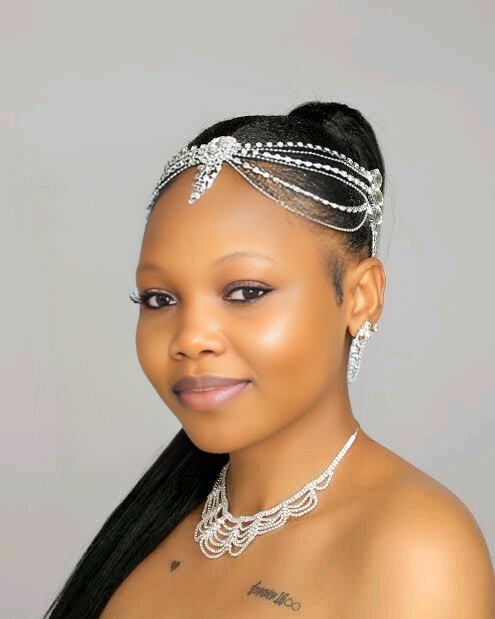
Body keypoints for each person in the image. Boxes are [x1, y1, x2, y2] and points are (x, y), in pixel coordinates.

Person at [44, 101, 495, 618]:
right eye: (159, 299)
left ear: (361, 297)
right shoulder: (154, 526)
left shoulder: (416, 551)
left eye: (245, 292)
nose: (190, 338)